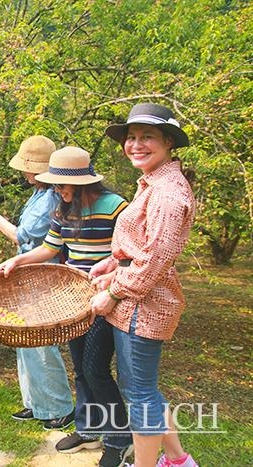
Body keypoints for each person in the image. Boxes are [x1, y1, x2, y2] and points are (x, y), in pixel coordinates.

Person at [0, 146, 133, 467]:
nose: (57, 190)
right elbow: (48, 248)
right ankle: (88, 428)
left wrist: (110, 283)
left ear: (83, 183)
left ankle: (119, 438)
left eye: (61, 185)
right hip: (72, 301)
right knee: (81, 371)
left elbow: (129, 255)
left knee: (95, 369)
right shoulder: (62, 208)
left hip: (105, 300)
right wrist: (18, 259)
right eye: (55, 185)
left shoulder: (116, 207)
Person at [91, 103, 198, 467]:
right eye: (131, 138)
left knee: (139, 395)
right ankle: (179, 460)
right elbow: (141, 246)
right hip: (137, 299)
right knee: (143, 389)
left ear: (168, 142)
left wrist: (114, 292)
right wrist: (111, 263)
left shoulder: (168, 192)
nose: (136, 144)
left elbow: (155, 259)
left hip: (144, 305)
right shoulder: (153, 181)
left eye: (147, 137)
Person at [0, 135, 74, 430]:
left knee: (41, 341)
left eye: (27, 167)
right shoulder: (39, 192)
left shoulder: (51, 197)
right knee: (24, 340)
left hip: (42, 275)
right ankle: (36, 404)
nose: (24, 173)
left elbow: (21, 235)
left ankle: (60, 407)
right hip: (28, 274)